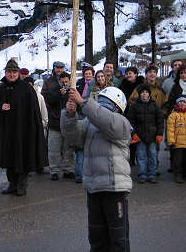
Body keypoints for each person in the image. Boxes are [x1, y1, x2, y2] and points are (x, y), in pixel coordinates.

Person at [61, 87, 131, 252]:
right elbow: (72, 136)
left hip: (115, 188)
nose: (102, 106)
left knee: (118, 239)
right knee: (96, 237)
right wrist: (70, 115)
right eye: (101, 102)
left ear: (118, 107)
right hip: (94, 187)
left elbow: (105, 120)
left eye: (107, 103)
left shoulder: (121, 123)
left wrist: (83, 102)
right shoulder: (89, 123)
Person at [0, 59, 48, 196]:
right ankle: (12, 184)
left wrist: (31, 129)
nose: (11, 74)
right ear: (5, 73)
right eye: (9, 72)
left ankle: (21, 185)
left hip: (23, 132)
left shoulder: (26, 89)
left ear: (18, 73)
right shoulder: (1, 88)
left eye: (14, 72)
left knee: (23, 158)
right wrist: (0, 107)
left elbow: (33, 112)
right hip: (7, 133)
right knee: (9, 159)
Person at [128, 84, 164, 183]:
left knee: (153, 155)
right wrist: (133, 133)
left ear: (149, 94)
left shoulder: (154, 105)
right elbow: (131, 121)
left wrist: (160, 134)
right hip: (140, 136)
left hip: (153, 135)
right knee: (141, 155)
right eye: (142, 92)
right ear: (139, 94)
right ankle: (142, 174)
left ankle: (152, 174)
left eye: (146, 92)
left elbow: (160, 120)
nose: (144, 94)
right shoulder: (134, 106)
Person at [44, 71, 74, 181]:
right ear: (59, 82)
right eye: (62, 82)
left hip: (68, 124)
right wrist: (59, 95)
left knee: (68, 150)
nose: (64, 84)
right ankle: (54, 171)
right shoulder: (53, 91)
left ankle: (68, 169)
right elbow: (48, 100)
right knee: (53, 150)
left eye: (66, 82)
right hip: (55, 124)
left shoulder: (72, 91)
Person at [167, 96, 186, 183]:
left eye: (184, 102)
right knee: (178, 161)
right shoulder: (173, 115)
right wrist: (171, 141)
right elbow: (170, 129)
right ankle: (178, 175)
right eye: (180, 102)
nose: (182, 103)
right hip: (178, 143)